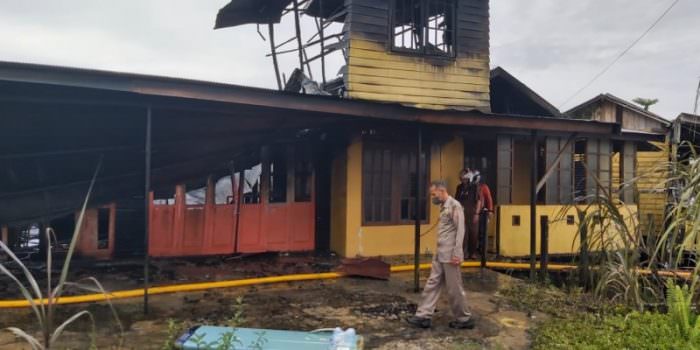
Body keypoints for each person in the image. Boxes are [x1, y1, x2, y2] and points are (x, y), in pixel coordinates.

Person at [406, 180, 474, 329]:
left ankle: (464, 319)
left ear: (442, 191)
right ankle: (423, 316)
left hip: (450, 255)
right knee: (432, 283)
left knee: (454, 287)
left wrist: (457, 253)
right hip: (440, 253)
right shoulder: (444, 207)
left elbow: (460, 230)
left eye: (434, 194)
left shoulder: (454, 206)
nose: (432, 197)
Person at [472, 171, 494, 257]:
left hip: (482, 213)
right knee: (474, 232)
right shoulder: (471, 187)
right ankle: (474, 249)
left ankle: (482, 249)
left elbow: (489, 199)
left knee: (482, 232)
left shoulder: (483, 187)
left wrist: (490, 210)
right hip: (472, 212)